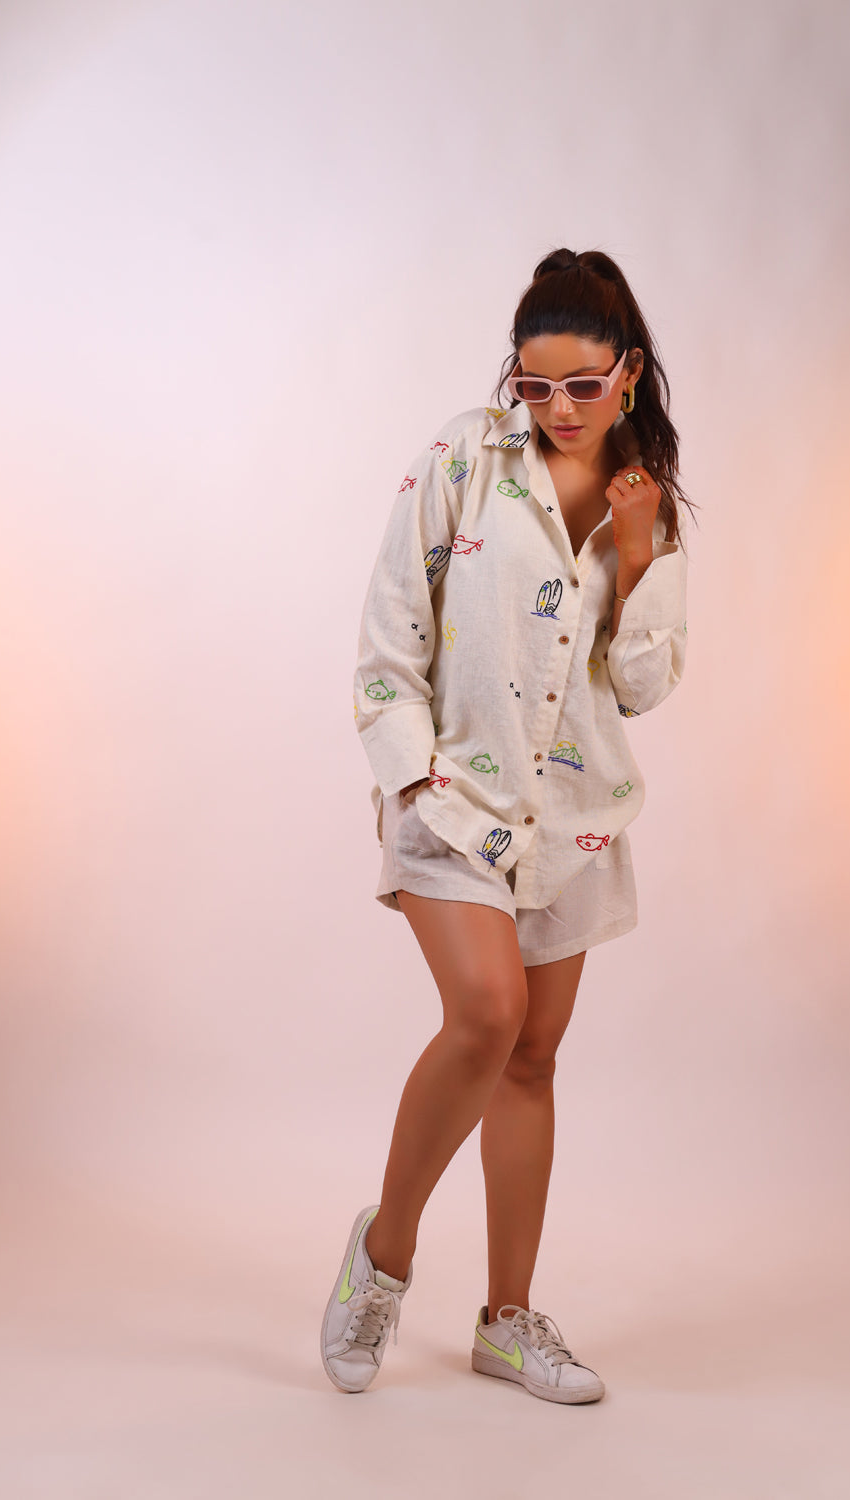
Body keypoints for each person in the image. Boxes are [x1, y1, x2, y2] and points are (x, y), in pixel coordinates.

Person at [321, 247, 696, 1404]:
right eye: (535, 385)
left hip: (570, 820)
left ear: (627, 374)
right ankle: (384, 1259)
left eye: (582, 385)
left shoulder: (643, 505)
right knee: (486, 1015)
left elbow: (642, 685)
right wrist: (413, 781)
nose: (558, 409)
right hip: (452, 801)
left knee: (532, 1056)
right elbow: (389, 636)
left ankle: (505, 1322)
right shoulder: (460, 460)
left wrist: (635, 556)